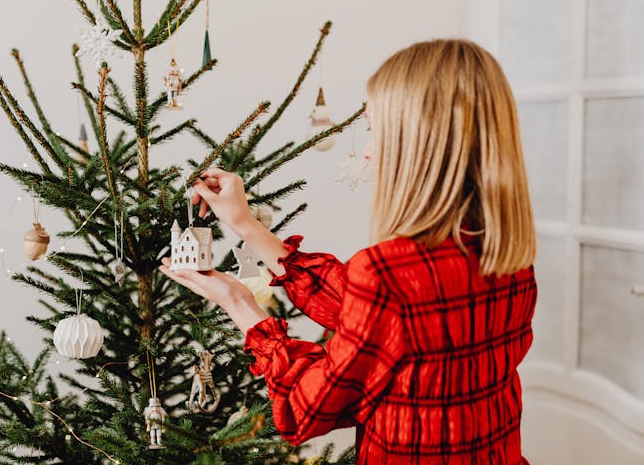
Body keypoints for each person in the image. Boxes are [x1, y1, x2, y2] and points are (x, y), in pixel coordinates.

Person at [158, 39, 537, 464]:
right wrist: (244, 224)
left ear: (419, 143)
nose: (368, 149)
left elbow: (307, 409)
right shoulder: (505, 253)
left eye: (375, 130)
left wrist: (240, 303)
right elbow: (371, 315)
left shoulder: (388, 272)